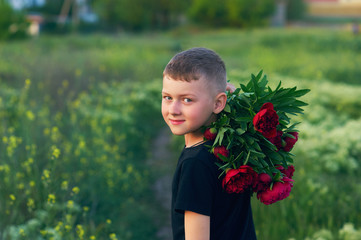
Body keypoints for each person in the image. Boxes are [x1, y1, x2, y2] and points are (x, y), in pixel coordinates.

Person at [161, 47, 257, 240]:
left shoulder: (195, 164)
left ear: (219, 103)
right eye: (167, 97)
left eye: (187, 100)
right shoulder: (233, 145)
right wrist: (223, 93)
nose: (174, 109)